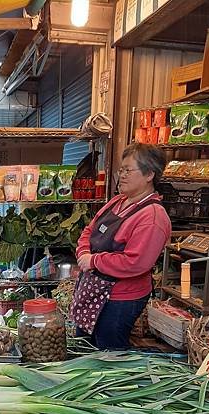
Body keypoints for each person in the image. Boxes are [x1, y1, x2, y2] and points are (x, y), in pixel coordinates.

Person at [72, 143, 171, 350]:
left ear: (149, 174)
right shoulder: (117, 201)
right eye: (121, 170)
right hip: (92, 290)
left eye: (129, 170)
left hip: (120, 299)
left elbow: (135, 262)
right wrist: (84, 253)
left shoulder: (152, 216)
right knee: (84, 348)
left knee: (109, 354)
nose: (122, 175)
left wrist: (94, 261)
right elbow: (89, 232)